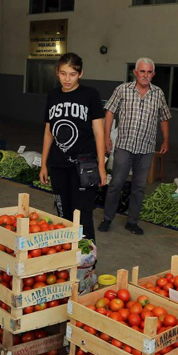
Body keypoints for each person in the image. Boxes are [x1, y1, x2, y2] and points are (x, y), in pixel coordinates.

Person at [39, 53, 107, 240]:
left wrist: (101, 166)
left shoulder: (90, 95)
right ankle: (66, 258)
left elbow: (99, 132)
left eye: (72, 74)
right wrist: (44, 164)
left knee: (83, 214)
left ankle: (87, 264)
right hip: (58, 164)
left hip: (85, 166)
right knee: (63, 214)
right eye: (63, 73)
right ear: (57, 73)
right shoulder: (53, 95)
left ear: (80, 74)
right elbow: (48, 132)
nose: (67, 79)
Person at [100, 57, 171, 236]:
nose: (145, 75)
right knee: (116, 183)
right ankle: (107, 219)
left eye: (149, 72)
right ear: (135, 72)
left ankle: (132, 222)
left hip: (146, 149)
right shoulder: (122, 90)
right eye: (142, 71)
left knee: (139, 187)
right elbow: (109, 112)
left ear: (153, 74)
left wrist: (165, 140)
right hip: (124, 146)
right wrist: (106, 137)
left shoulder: (158, 93)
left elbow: (164, 117)